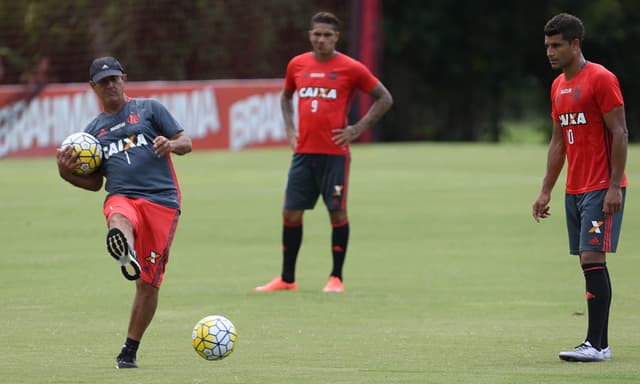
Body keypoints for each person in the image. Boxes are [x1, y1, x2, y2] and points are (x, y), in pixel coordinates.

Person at [56, 56, 192, 368]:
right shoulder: (92, 134)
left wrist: (170, 146)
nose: (111, 85)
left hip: (162, 202)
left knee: (148, 283)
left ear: (124, 79)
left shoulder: (150, 109)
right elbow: (93, 184)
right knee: (117, 215)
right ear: (93, 87)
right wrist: (67, 174)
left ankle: (129, 349)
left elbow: (186, 142)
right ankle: (124, 245)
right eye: (104, 82)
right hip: (122, 197)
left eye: (115, 79)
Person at [255, 12, 393, 293]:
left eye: (327, 35)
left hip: (334, 155)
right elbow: (285, 97)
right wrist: (290, 131)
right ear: (310, 35)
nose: (321, 39)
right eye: (317, 34)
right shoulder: (297, 65)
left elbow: (384, 98)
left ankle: (336, 278)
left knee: (337, 212)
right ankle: (287, 279)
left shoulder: (351, 68)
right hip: (303, 154)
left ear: (336, 38)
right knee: (291, 213)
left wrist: (357, 129)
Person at [532, 13, 628, 362]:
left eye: (557, 45)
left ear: (575, 44)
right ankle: (597, 344)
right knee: (587, 261)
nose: (550, 52)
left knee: (592, 257)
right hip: (575, 189)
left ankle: (597, 345)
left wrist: (615, 186)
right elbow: (558, 143)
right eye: (547, 46)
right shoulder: (558, 86)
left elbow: (620, 132)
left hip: (602, 186)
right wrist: (546, 190)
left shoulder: (601, 79)